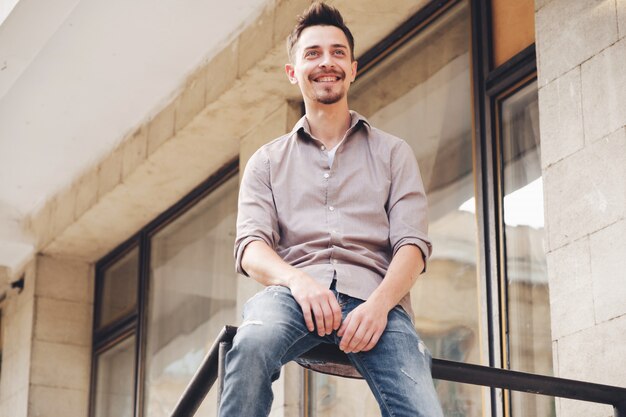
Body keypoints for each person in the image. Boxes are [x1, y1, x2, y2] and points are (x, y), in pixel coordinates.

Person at [218, 2, 443, 416]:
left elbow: (412, 246)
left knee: (423, 409)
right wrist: (298, 282)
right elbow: (250, 247)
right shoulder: (266, 162)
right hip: (292, 299)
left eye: (338, 52)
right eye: (313, 53)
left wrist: (379, 306)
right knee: (248, 345)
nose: (328, 62)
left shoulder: (394, 153)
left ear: (353, 68)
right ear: (293, 72)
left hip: (378, 302)